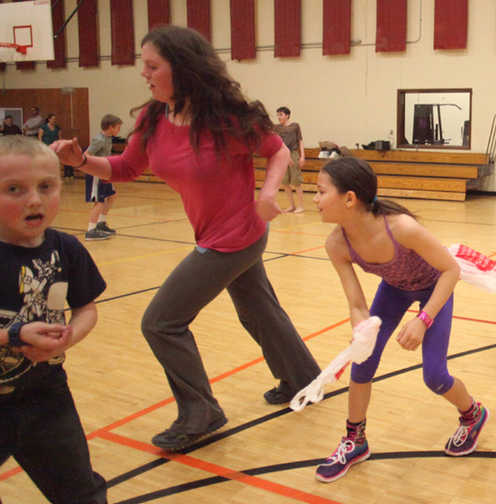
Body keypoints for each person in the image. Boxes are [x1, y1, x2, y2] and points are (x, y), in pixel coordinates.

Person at [51, 25, 320, 451]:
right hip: (219, 233)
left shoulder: (224, 116)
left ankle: (202, 412)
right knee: (259, 310)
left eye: (152, 65)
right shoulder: (154, 117)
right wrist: (82, 161)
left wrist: (269, 193)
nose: (144, 73)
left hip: (235, 237)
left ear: (183, 68)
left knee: (161, 322)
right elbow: (124, 167)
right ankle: (304, 378)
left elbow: (277, 151)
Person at [312, 157, 488, 481]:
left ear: (349, 199)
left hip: (435, 288)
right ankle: (355, 440)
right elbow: (355, 302)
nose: (315, 199)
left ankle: (473, 415)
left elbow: (451, 270)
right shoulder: (336, 244)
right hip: (394, 290)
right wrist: (360, 326)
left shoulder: (401, 228)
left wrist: (423, 319)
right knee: (362, 362)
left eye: (321, 192)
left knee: (434, 375)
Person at [0, 136, 116, 504]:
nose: (34, 199)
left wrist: (72, 335)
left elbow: (86, 308)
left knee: (80, 492)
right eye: (14, 189)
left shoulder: (66, 248)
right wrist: (14, 336)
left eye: (46, 186)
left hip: (46, 394)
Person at [81, 114, 123, 241]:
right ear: (110, 127)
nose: (119, 130)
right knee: (99, 201)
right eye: (118, 127)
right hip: (96, 174)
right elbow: (86, 155)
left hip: (105, 172)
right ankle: (91, 230)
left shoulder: (108, 138)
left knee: (112, 196)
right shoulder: (99, 140)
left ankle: (101, 223)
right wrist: (96, 165)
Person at [274, 105, 306, 213]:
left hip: (293, 154)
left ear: (287, 115)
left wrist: (302, 156)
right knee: (285, 182)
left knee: (296, 181)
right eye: (278, 115)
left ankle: (301, 206)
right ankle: (292, 205)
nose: (279, 117)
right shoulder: (276, 128)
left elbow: (300, 140)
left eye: (281, 115)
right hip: (282, 156)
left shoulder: (295, 126)